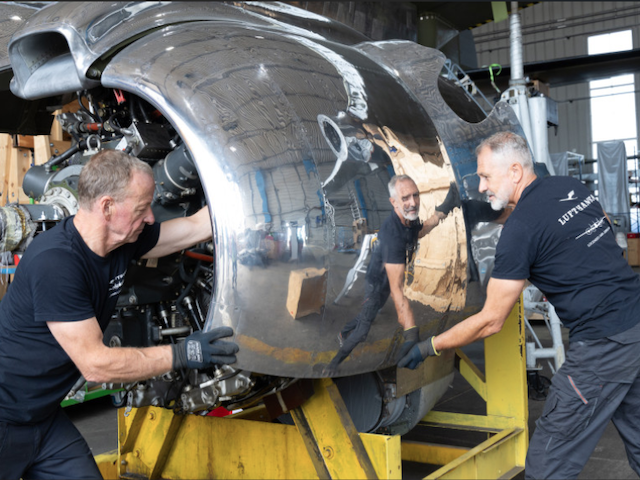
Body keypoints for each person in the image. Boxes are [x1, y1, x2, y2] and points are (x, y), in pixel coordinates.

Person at [399, 131, 640, 479]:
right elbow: (583, 224)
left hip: (602, 347)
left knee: (547, 466)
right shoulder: (569, 188)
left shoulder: (519, 232)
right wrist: (475, 211)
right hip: (635, 324)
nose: (481, 186)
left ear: (514, 171)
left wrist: (429, 346)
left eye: (485, 176)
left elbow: (491, 321)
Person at [0, 150, 239, 480]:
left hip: (42, 416)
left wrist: (246, 196)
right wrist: (184, 353)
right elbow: (95, 364)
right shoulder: (56, 263)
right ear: (107, 207)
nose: (151, 218)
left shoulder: (121, 242)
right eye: (142, 208)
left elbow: (191, 228)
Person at [323, 174, 460, 375]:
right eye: (405, 198)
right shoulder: (392, 234)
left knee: (367, 314)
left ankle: (344, 332)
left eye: (415, 195)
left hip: (387, 282)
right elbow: (398, 291)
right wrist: (411, 333)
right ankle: (333, 363)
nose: (412, 203)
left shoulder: (409, 221)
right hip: (377, 285)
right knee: (362, 330)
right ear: (393, 202)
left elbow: (420, 231)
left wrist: (445, 208)